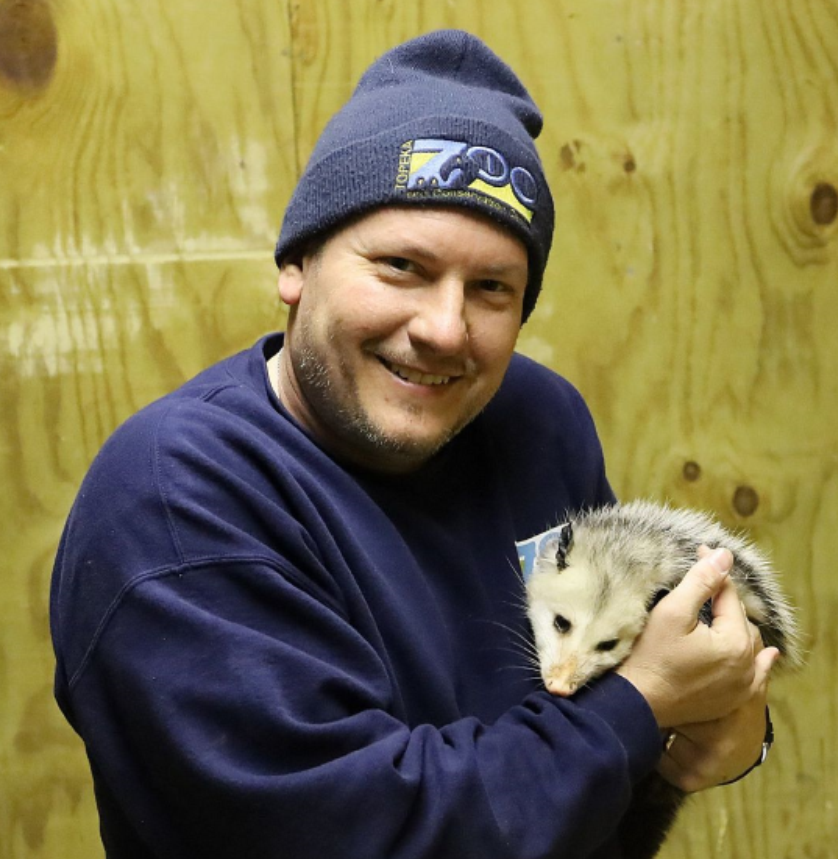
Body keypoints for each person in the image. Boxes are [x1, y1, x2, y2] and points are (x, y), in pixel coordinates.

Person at [50, 29, 777, 859]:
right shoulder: (174, 501)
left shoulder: (539, 423)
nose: (442, 328)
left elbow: (627, 696)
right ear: (297, 264)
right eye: (401, 265)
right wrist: (641, 710)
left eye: (492, 288)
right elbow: (375, 833)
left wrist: (720, 723)